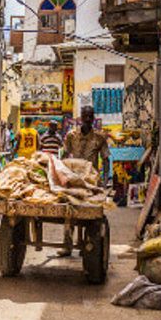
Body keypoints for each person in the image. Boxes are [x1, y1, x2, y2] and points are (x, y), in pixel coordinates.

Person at [58, 105, 111, 256]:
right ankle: (67, 245)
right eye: (85, 116)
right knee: (69, 210)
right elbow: (64, 156)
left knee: (90, 214)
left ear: (93, 118)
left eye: (90, 116)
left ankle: (87, 244)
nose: (87, 119)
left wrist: (106, 181)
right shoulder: (71, 136)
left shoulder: (99, 138)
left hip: (91, 181)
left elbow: (106, 159)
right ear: (80, 118)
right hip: (73, 180)